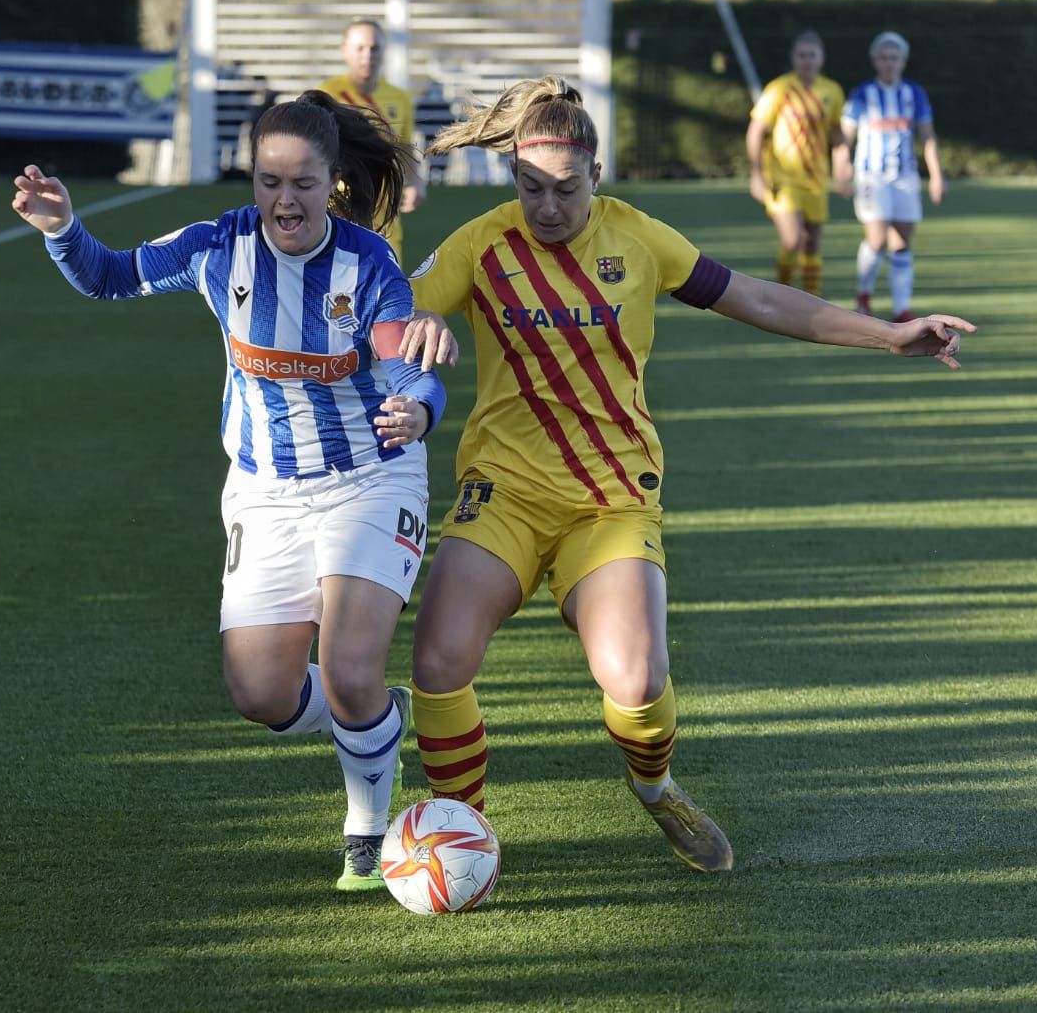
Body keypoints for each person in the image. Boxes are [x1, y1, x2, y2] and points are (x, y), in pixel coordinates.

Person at [399, 76, 974, 873]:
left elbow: (763, 301)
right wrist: (415, 318)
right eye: (531, 189)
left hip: (611, 502)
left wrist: (890, 335)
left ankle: (656, 786)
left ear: (597, 174)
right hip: (504, 492)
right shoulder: (481, 244)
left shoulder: (639, 239)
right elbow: (387, 315)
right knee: (437, 661)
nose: (548, 207)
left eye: (567, 189)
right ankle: (461, 839)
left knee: (634, 678)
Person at [11, 89, 451, 892]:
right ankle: (373, 722)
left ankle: (366, 826)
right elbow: (110, 278)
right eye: (268, 181)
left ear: (334, 182)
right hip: (263, 489)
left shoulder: (367, 263)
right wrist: (61, 230)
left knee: (347, 667)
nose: (284, 200)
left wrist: (417, 410)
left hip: (368, 476)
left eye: (302, 184)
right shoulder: (218, 246)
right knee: (260, 691)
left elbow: (407, 366)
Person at [833, 31, 945, 321]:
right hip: (871, 175)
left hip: (904, 176)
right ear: (875, 61)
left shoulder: (914, 94)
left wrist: (935, 175)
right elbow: (845, 136)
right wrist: (841, 166)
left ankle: (901, 308)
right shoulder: (862, 94)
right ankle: (864, 294)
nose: (889, 63)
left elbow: (927, 135)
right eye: (883, 58)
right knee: (877, 236)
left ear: (903, 62)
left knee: (902, 240)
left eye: (894, 58)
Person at [745, 31, 845, 298]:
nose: (807, 61)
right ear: (793, 58)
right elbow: (756, 131)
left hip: (816, 179)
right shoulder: (779, 89)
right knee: (793, 240)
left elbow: (837, 133)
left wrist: (843, 167)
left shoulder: (832, 91)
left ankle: (813, 300)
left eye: (812, 55)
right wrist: (756, 174)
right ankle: (783, 296)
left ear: (821, 58)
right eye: (802, 55)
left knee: (812, 244)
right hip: (782, 178)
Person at [317, 19, 426, 262]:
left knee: (386, 282)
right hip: (339, 207)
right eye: (360, 48)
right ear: (344, 50)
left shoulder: (399, 98)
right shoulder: (328, 95)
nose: (368, 55)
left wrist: (415, 181)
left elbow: (404, 146)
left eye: (374, 48)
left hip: (385, 210)